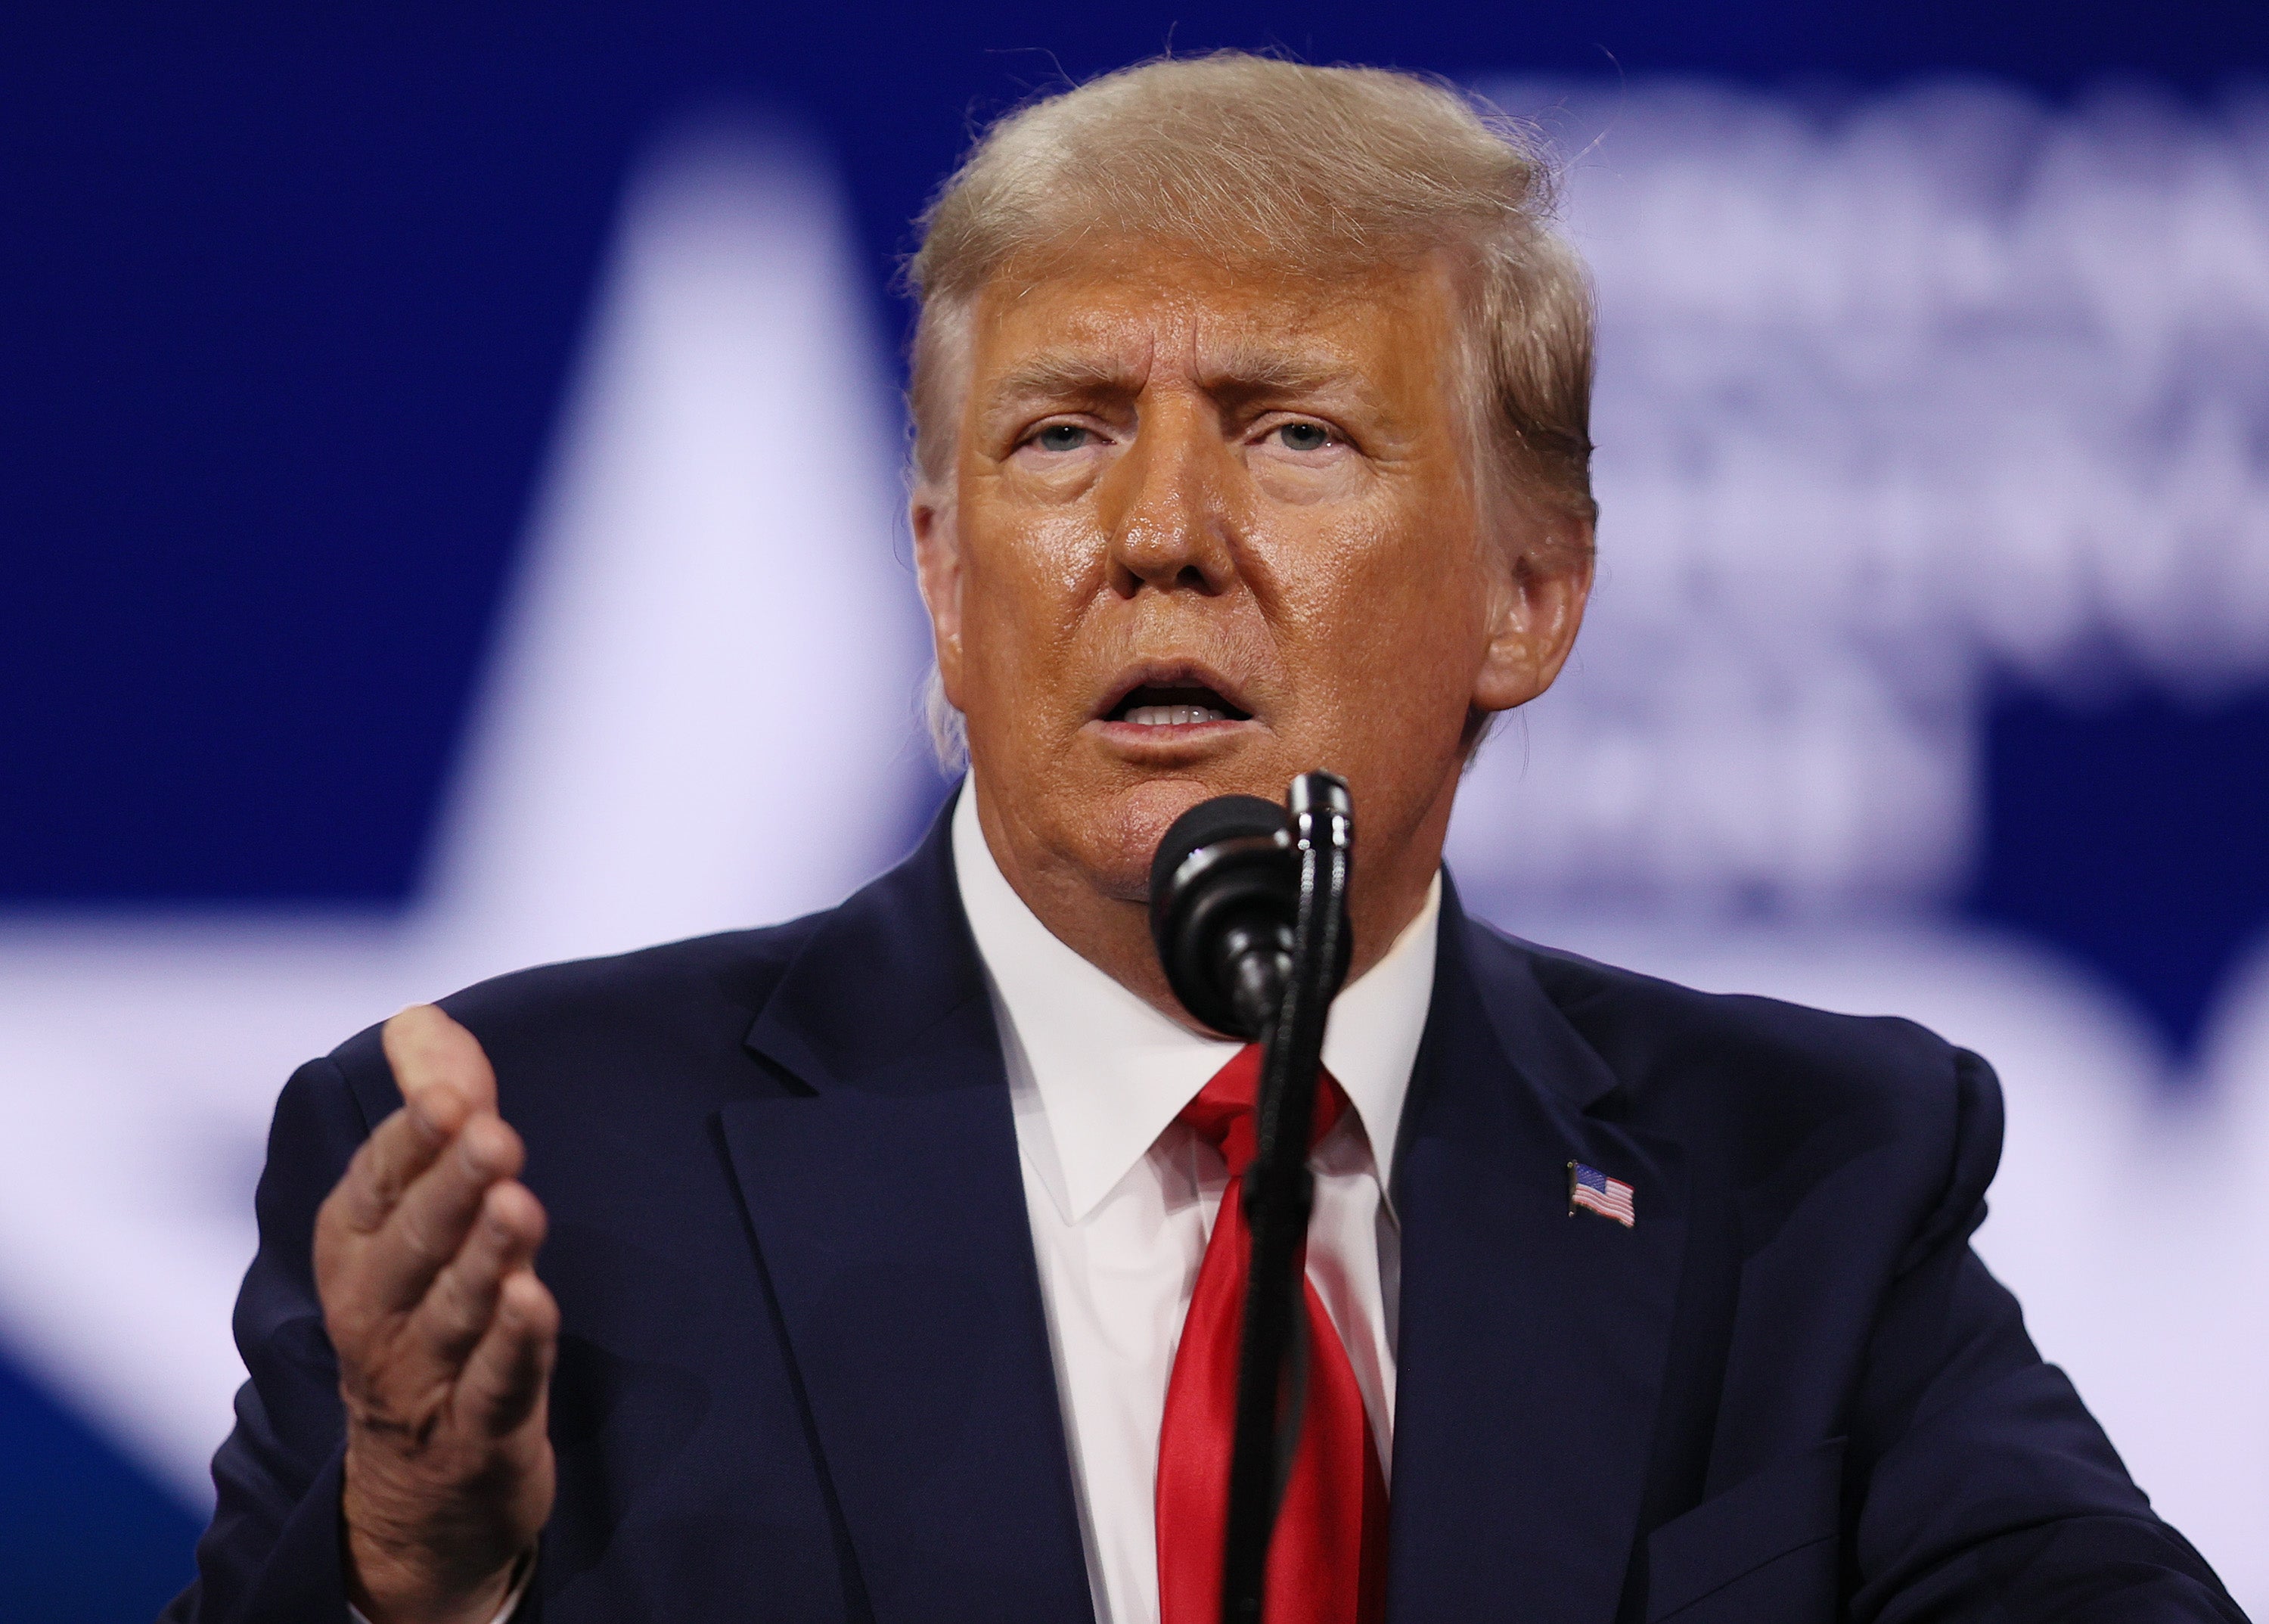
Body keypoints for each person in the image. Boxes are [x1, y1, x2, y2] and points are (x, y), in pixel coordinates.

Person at [167, 52, 2243, 1624]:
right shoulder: (547, 1169)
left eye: (1293, 434)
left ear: (1532, 592)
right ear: (945, 585)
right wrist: (403, 1572)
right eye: (1063, 433)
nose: (1160, 537)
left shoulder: (1807, 1182)